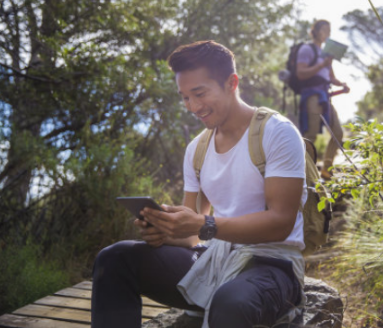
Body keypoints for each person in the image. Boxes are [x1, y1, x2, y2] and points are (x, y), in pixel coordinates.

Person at [91, 41, 307, 328]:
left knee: (231, 303)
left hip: (271, 265)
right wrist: (164, 230)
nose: (193, 106)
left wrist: (206, 225)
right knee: (115, 259)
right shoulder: (197, 149)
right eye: (184, 98)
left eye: (199, 93)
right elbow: (192, 236)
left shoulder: (277, 133)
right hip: (213, 260)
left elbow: (281, 222)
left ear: (231, 83)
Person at [296, 20, 350, 179]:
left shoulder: (326, 54)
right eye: (325, 30)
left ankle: (327, 170)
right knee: (310, 135)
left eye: (330, 30)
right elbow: (301, 73)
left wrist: (342, 85)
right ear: (317, 31)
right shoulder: (307, 49)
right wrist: (322, 65)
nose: (328, 33)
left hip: (326, 97)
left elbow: (331, 77)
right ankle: (303, 174)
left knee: (338, 133)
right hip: (312, 96)